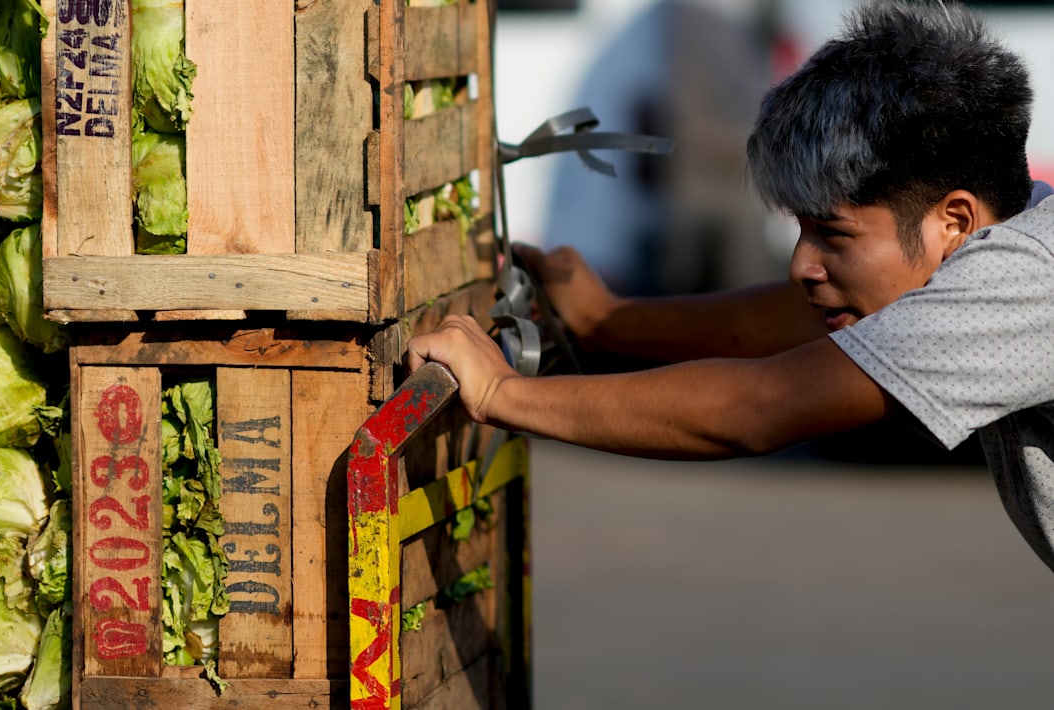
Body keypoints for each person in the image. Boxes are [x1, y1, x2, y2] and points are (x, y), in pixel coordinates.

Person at [407, 0, 1054, 570]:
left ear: (954, 221)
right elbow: (797, 325)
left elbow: (764, 406)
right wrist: (608, 318)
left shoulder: (1022, 279)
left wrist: (502, 392)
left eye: (834, 233)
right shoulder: (1018, 226)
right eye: (802, 230)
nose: (801, 265)